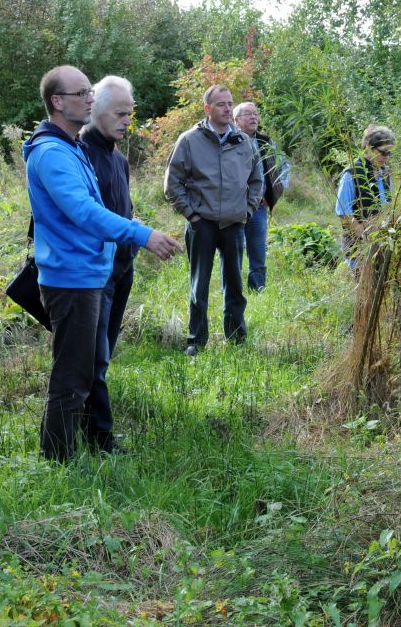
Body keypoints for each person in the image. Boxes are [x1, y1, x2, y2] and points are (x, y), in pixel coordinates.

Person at [24, 65, 179, 462]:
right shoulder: (53, 153)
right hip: (72, 278)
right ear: (58, 102)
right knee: (72, 375)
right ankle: (59, 460)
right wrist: (141, 235)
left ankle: (77, 448)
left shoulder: (70, 148)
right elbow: (84, 212)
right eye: (82, 94)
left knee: (85, 369)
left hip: (88, 273)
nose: (89, 100)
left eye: (90, 93)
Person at [164, 85, 263, 356]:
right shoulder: (189, 140)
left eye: (230, 103)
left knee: (235, 284)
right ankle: (196, 340)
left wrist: (247, 211)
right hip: (202, 224)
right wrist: (191, 214)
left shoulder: (244, 142)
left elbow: (257, 181)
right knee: (199, 284)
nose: (228, 109)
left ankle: (236, 337)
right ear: (208, 109)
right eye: (221, 104)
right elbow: (172, 183)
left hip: (234, 224)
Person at [78, 75, 139, 454]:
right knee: (93, 357)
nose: (126, 121)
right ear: (96, 110)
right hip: (92, 273)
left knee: (103, 354)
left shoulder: (119, 159)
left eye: (130, 114)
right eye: (119, 113)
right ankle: (99, 439)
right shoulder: (79, 154)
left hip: (121, 269)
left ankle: (91, 429)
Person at [231, 101, 290, 292]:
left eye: (255, 114)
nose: (253, 117)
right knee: (233, 249)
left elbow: (284, 167)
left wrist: (273, 192)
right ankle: (233, 288)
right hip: (233, 208)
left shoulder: (266, 142)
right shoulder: (228, 141)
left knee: (257, 249)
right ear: (236, 120)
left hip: (258, 208)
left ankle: (258, 287)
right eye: (248, 114)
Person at [335, 125, 395, 270]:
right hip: (358, 250)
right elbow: (343, 213)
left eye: (389, 153)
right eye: (382, 152)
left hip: (382, 247)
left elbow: (388, 207)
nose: (386, 157)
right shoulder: (352, 173)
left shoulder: (386, 174)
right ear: (368, 148)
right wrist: (365, 237)